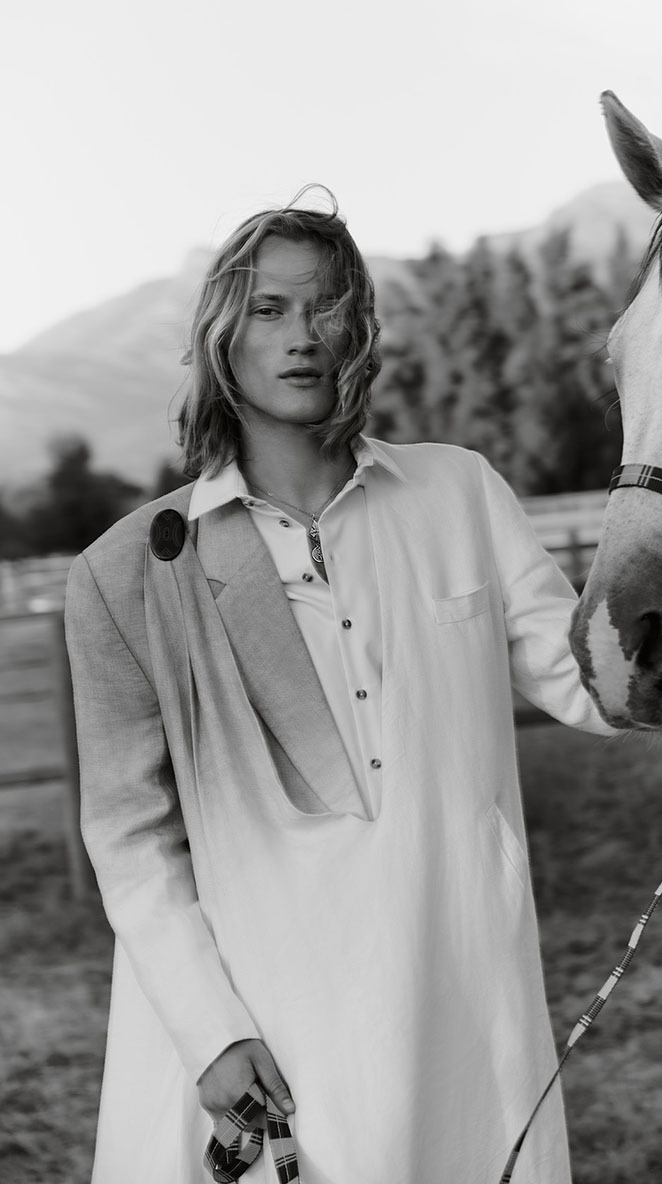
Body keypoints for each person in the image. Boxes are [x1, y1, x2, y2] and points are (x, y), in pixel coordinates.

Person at [64, 189, 616, 1184]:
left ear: (361, 325)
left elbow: (588, 680)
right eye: (270, 309)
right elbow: (130, 838)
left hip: (455, 976)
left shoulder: (457, 491)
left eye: (327, 305)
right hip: (260, 1011)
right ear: (221, 335)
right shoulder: (128, 571)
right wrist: (210, 1032)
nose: (303, 334)